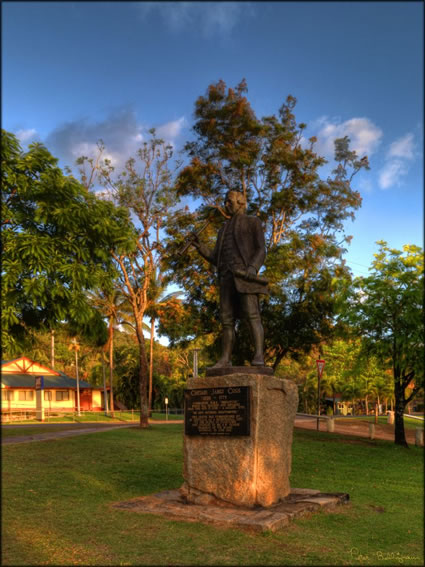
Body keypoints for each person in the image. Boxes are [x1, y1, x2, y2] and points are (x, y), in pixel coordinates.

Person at [191, 190, 268, 368]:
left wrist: (252, 268)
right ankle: (225, 358)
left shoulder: (252, 222)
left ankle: (258, 356)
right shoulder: (223, 230)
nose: (226, 204)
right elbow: (215, 256)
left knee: (252, 316)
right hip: (225, 279)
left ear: (241, 202)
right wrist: (200, 247)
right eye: (225, 201)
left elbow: (261, 249)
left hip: (244, 278)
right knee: (226, 320)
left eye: (230, 201)